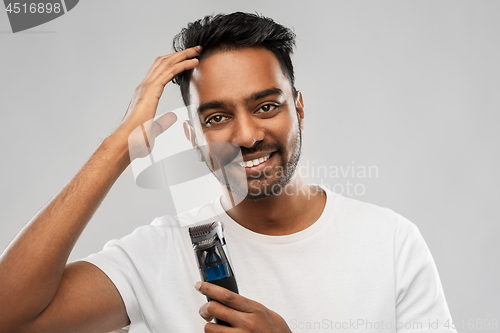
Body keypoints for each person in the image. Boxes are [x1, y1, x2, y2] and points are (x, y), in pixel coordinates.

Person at [0, 12, 457, 333]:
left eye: (266, 106)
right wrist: (118, 146)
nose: (246, 134)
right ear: (194, 138)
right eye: (216, 117)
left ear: (298, 108)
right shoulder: (159, 254)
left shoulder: (391, 242)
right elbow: (9, 316)